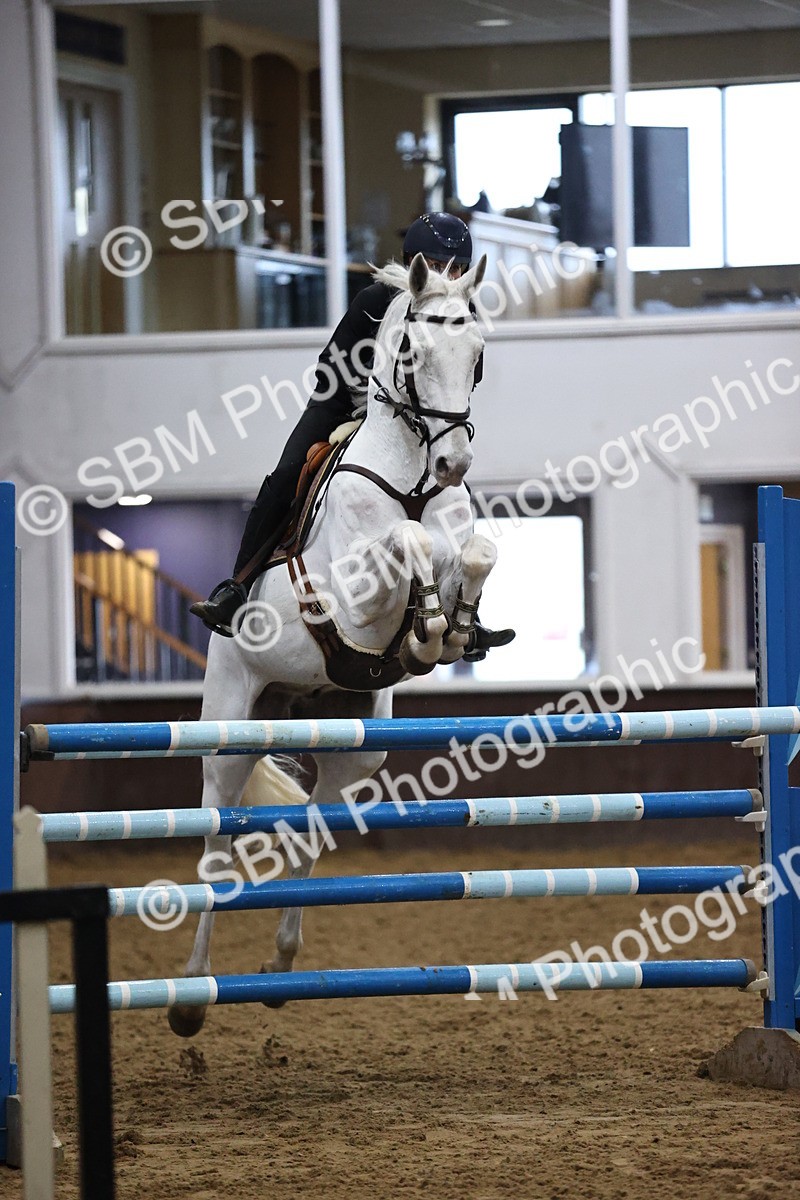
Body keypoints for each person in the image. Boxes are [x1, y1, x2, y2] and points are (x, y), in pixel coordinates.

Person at [190, 212, 515, 661]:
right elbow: (331, 368)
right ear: (415, 264)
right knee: (286, 475)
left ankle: (468, 612)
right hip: (345, 404)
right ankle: (237, 587)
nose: (449, 277)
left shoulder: (463, 312)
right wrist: (372, 399)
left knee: (456, 497)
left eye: (457, 269)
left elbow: (468, 373)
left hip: (420, 423)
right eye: (440, 266)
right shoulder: (376, 300)